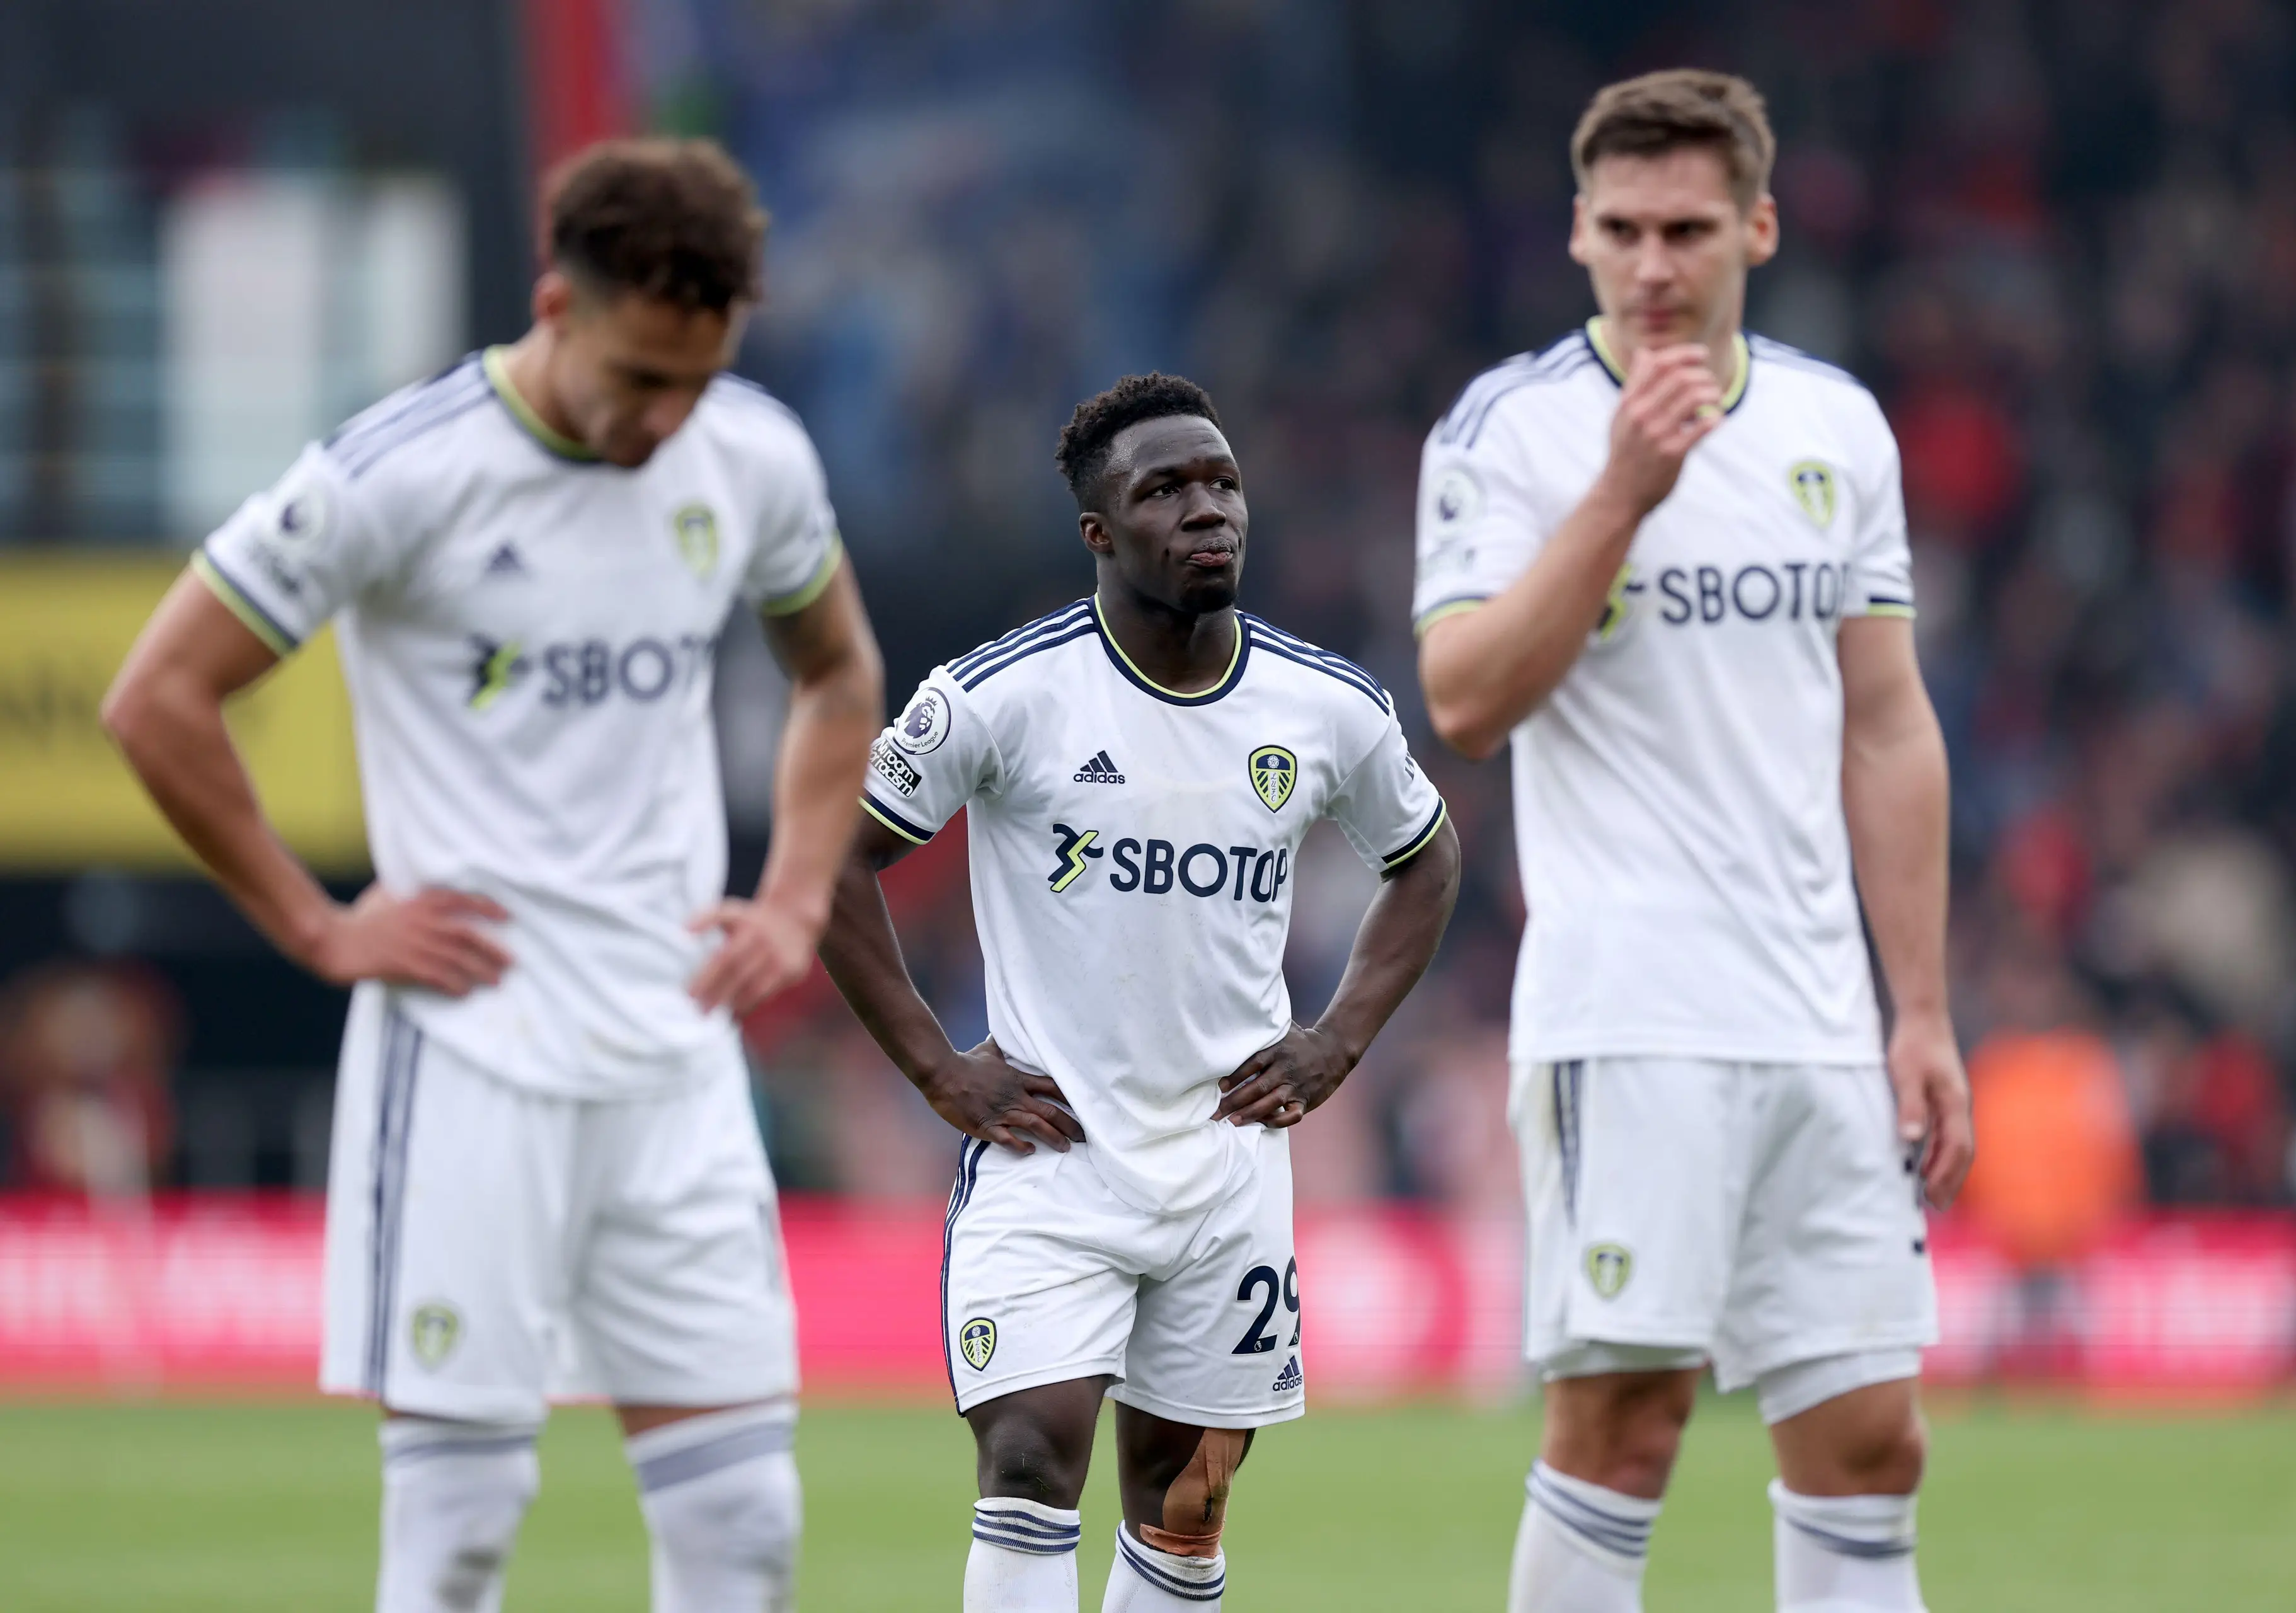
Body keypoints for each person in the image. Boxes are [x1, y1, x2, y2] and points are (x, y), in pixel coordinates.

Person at [102, 138, 885, 1612]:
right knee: (461, 1534)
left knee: (750, 1528)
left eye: (699, 379)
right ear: (555, 304)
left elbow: (838, 674)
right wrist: (315, 923)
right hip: (471, 1050)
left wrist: (790, 896)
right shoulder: (399, 473)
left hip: (672, 1049)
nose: (668, 419)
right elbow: (156, 696)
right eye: (643, 377)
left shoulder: (756, 454)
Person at [1411, 71, 1973, 1613]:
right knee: (1622, 1424)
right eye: (1623, 229)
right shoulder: (1512, 433)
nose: (1655, 263)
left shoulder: (1835, 428)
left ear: (1761, 229)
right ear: (1577, 236)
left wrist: (1916, 1005)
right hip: (1630, 1009)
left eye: (1689, 228)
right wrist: (1623, 493)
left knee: (1871, 1439)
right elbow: (1463, 698)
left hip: (1815, 1017)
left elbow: (1886, 723)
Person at [820, 372, 1461, 1613]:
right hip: (1050, 1157)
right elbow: (837, 860)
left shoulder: (1326, 706)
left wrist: (1337, 1037)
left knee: (1186, 1513)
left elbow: (1425, 858)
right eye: (1164, 489)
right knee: (1026, 1458)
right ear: (1098, 532)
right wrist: (940, 1070)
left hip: (1230, 1170)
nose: (1206, 508)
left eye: (1221, 482)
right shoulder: (1000, 694)